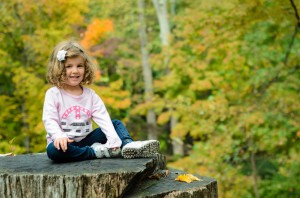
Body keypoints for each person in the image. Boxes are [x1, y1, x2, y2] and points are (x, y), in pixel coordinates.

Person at [43, 40, 159, 162]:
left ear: (85, 67)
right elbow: (50, 119)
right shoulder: (53, 94)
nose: (75, 71)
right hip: (64, 144)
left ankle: (128, 145)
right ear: (59, 68)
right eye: (69, 66)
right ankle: (95, 152)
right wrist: (59, 136)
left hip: (86, 140)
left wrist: (113, 138)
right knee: (53, 152)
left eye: (79, 66)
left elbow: (102, 117)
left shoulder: (90, 95)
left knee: (115, 124)